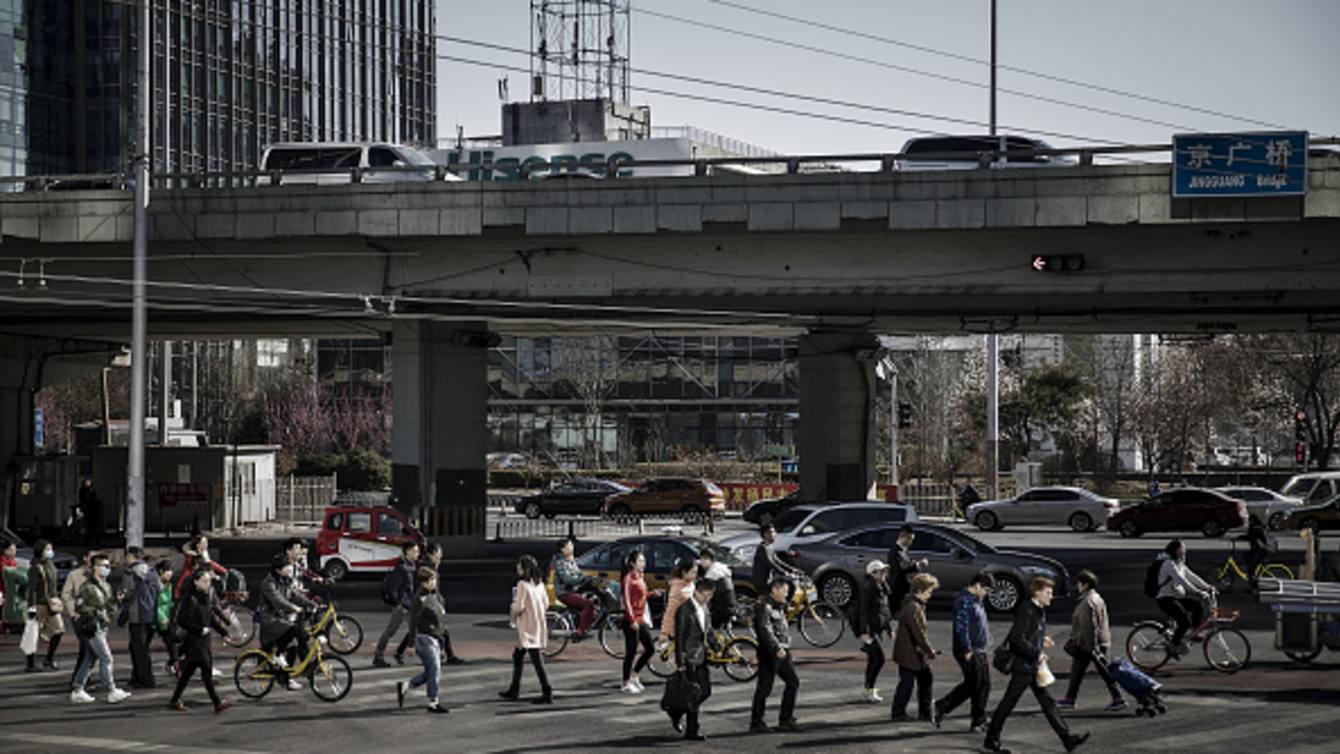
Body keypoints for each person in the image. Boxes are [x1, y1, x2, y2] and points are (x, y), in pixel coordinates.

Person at [983, 577, 1089, 754]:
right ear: (1037, 592)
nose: (1051, 596)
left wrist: (1042, 639)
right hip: (1023, 666)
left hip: (1032, 666)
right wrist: (1036, 652)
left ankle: (1067, 738)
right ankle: (991, 739)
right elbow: (1017, 638)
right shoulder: (1026, 609)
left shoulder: (1039, 610)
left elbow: (1030, 632)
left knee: (1048, 703)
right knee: (1008, 703)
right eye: (1048, 592)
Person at [933, 571, 995, 733]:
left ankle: (978, 720)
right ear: (977, 586)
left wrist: (987, 637)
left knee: (984, 684)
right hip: (968, 649)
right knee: (975, 683)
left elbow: (979, 621)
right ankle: (941, 706)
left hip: (979, 649)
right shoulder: (964, 601)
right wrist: (967, 649)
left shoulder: (976, 600)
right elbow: (962, 627)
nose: (986, 594)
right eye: (986, 590)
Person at [1057, 569, 1125, 712]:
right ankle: (1070, 698)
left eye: (1079, 584)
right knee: (1082, 671)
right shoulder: (1097, 598)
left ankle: (1118, 698)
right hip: (1099, 642)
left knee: (1100, 672)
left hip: (1088, 644)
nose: (1078, 587)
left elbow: (1089, 627)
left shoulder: (1087, 602)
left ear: (1086, 585)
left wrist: (1090, 647)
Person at [70, 553, 131, 704]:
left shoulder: (106, 586)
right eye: (104, 566)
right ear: (95, 567)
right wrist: (96, 612)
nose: (107, 569)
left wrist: (117, 600)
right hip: (92, 626)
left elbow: (110, 608)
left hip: (102, 626)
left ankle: (78, 689)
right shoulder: (87, 587)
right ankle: (111, 690)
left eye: (108, 566)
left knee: (90, 659)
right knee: (106, 657)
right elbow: (80, 607)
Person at [169, 568, 230, 713]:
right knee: (206, 670)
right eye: (205, 581)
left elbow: (210, 618)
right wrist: (199, 629)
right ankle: (217, 702)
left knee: (188, 673)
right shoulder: (189, 599)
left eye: (209, 581)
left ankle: (174, 699)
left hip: (204, 640)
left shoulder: (205, 596)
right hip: (194, 640)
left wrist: (223, 632)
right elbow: (182, 621)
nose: (208, 584)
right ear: (196, 582)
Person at [395, 542, 465, 665]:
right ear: (431, 554)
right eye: (438, 553)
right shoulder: (428, 568)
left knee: (427, 628)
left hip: (429, 602)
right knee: (425, 627)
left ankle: (401, 651)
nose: (441, 556)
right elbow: (429, 588)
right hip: (426, 603)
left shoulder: (431, 565)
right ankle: (444, 655)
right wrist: (437, 602)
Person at [750, 576, 801, 734]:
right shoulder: (764, 606)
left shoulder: (778, 605)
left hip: (782, 650)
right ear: (775, 590)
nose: (787, 594)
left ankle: (785, 719)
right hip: (770, 652)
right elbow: (765, 630)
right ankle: (756, 722)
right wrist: (777, 647)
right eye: (784, 591)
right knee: (764, 688)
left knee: (793, 682)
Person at [396, 566, 450, 714]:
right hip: (424, 639)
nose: (434, 582)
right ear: (424, 582)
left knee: (430, 671)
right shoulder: (419, 599)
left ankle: (406, 686)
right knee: (435, 669)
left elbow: (441, 621)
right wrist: (410, 644)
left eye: (434, 579)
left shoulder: (435, 596)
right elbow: (413, 623)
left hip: (435, 639)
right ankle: (433, 702)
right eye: (432, 580)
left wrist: (443, 646)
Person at [500, 554, 553, 704]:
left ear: (525, 568)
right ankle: (514, 689)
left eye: (519, 566)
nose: (517, 568)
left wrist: (512, 608)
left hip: (527, 626)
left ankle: (546, 691)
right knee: (519, 656)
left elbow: (518, 607)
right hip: (537, 623)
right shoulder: (539, 584)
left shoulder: (522, 585)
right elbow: (546, 604)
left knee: (536, 659)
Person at [258, 554, 316, 690]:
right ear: (278, 569)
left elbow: (294, 595)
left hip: (282, 618)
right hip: (271, 620)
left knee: (293, 647)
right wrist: (293, 608)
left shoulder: (286, 579)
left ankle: (287, 678)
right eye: (287, 566)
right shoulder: (269, 583)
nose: (290, 568)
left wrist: (311, 604)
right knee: (294, 631)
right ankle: (278, 655)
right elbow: (278, 600)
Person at [891, 572, 939, 723]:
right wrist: (929, 651)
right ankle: (901, 713)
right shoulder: (914, 608)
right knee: (911, 682)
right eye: (929, 592)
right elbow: (919, 633)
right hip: (910, 654)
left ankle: (919, 712)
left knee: (918, 680)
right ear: (919, 591)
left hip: (909, 652)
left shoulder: (913, 604)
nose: (930, 595)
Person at [1155, 539, 1215, 657]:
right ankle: (1173, 646)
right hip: (1165, 599)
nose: (1185, 550)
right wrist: (1197, 592)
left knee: (1198, 606)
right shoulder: (1168, 563)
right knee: (1184, 622)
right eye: (1183, 548)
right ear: (1177, 550)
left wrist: (1207, 587)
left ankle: (1194, 632)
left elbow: (1191, 576)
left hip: (1175, 597)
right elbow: (1180, 580)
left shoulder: (1179, 563)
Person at [672, 578, 715, 741]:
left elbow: (708, 629)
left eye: (710, 595)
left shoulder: (705, 607)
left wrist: (715, 645)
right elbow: (679, 639)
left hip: (702, 656)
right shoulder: (684, 610)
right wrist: (680, 662)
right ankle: (692, 730)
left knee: (705, 691)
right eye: (706, 595)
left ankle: (678, 712)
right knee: (693, 694)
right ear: (696, 591)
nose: (708, 598)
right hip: (689, 658)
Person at [374, 540, 421, 667]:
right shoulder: (401, 568)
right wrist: (397, 603)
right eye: (415, 551)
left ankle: (399, 653)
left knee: (415, 628)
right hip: (402, 606)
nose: (418, 553)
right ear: (408, 552)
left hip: (409, 605)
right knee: (390, 631)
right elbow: (391, 588)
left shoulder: (412, 566)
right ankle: (378, 656)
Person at [121, 546, 161, 689]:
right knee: (142, 648)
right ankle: (138, 676)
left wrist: (121, 601)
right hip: (151, 614)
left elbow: (127, 594)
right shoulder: (152, 572)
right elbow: (159, 591)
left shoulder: (130, 572)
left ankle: (144, 679)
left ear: (131, 556)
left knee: (138, 648)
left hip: (137, 615)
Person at [857, 560, 894, 703]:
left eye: (885, 571)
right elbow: (863, 611)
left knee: (873, 660)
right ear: (873, 574)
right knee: (879, 659)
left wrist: (889, 628)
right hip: (871, 630)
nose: (885, 573)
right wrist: (864, 632)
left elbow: (885, 610)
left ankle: (868, 689)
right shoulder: (868, 588)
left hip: (878, 628)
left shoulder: (882, 587)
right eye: (881, 571)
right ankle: (870, 690)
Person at [620, 549, 657, 695]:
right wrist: (632, 620)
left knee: (650, 648)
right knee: (631, 652)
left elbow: (641, 596)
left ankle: (635, 674)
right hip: (632, 620)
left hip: (640, 618)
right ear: (632, 563)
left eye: (644, 560)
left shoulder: (640, 576)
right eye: (640, 561)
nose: (644, 563)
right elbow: (627, 600)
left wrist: (653, 593)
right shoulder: (628, 578)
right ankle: (625, 682)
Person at [26, 539, 65, 672]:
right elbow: (31, 589)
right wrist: (31, 607)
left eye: (51, 548)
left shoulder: (50, 565)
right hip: (40, 604)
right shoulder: (35, 567)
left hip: (52, 603)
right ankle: (30, 663)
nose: (50, 551)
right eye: (47, 549)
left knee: (59, 630)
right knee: (32, 634)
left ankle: (49, 658)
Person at [553, 538, 596, 642]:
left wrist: (589, 578)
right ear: (563, 549)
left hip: (573, 590)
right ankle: (580, 631)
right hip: (564, 592)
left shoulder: (570, 560)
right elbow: (567, 579)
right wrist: (583, 579)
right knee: (587, 604)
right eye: (569, 546)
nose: (572, 547)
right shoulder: (560, 562)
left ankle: (579, 628)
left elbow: (578, 574)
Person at [62, 550, 93, 685]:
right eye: (92, 558)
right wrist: (73, 612)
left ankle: (83, 677)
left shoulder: (97, 575)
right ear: (85, 558)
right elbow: (66, 594)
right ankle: (78, 679)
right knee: (86, 646)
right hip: (80, 616)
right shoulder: (75, 575)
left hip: (94, 616)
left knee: (90, 648)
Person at [886, 524, 927, 621]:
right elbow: (901, 567)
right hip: (897, 590)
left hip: (902, 589)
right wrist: (917, 565)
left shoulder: (902, 551)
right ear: (903, 536)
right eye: (910, 539)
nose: (911, 542)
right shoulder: (896, 551)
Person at [173, 534, 227, 601]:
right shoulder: (192, 554)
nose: (206, 544)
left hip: (204, 572)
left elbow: (209, 563)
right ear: (198, 545)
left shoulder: (205, 553)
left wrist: (219, 570)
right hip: (193, 573)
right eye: (204, 543)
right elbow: (192, 568)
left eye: (206, 542)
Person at [150, 560, 180, 676]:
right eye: (168, 571)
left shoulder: (169, 585)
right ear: (161, 571)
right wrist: (162, 617)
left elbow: (169, 603)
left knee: (172, 642)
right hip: (155, 618)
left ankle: (175, 665)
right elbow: (155, 604)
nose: (170, 573)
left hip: (165, 618)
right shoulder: (155, 585)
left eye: (171, 571)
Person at [697, 548, 737, 631]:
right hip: (730, 607)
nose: (702, 561)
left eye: (705, 559)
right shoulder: (721, 570)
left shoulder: (712, 574)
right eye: (701, 558)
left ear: (711, 560)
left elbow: (706, 594)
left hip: (720, 610)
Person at [659, 558, 698, 644]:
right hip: (680, 630)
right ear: (684, 572)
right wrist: (664, 632)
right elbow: (670, 611)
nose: (695, 575)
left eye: (696, 572)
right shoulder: (677, 590)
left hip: (691, 628)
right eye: (692, 572)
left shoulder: (691, 584)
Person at [1235, 515, 1271, 589]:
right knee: (1246, 556)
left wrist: (1239, 538)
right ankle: (1251, 578)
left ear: (1252, 521)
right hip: (1260, 550)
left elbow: (1250, 537)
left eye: (1249, 520)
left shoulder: (1255, 528)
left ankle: (1253, 586)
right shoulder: (1259, 526)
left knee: (1251, 567)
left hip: (1261, 551)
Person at [0, 538, 21, 633]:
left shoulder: (13, 561)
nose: (14, 552)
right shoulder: (2, 562)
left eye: (15, 550)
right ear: (5, 550)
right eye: (12, 550)